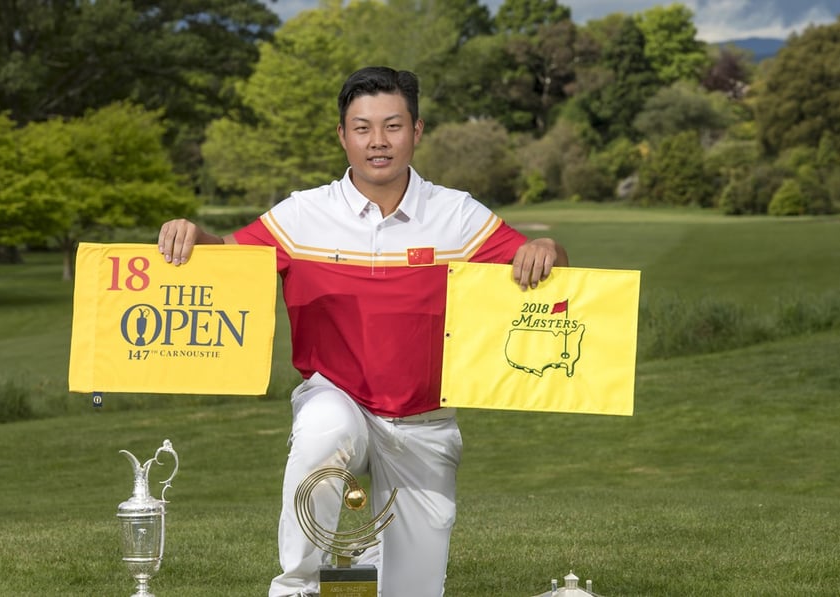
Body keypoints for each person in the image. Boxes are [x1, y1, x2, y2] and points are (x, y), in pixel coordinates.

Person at [158, 66, 569, 597]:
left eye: (393, 126)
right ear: (342, 136)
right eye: (362, 128)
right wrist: (193, 235)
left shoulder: (458, 215)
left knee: (412, 590)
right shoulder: (302, 214)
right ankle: (298, 587)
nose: (378, 142)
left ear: (416, 132)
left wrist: (547, 247)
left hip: (424, 416)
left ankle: (371, 564)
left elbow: (548, 262)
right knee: (323, 432)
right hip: (336, 394)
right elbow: (229, 262)